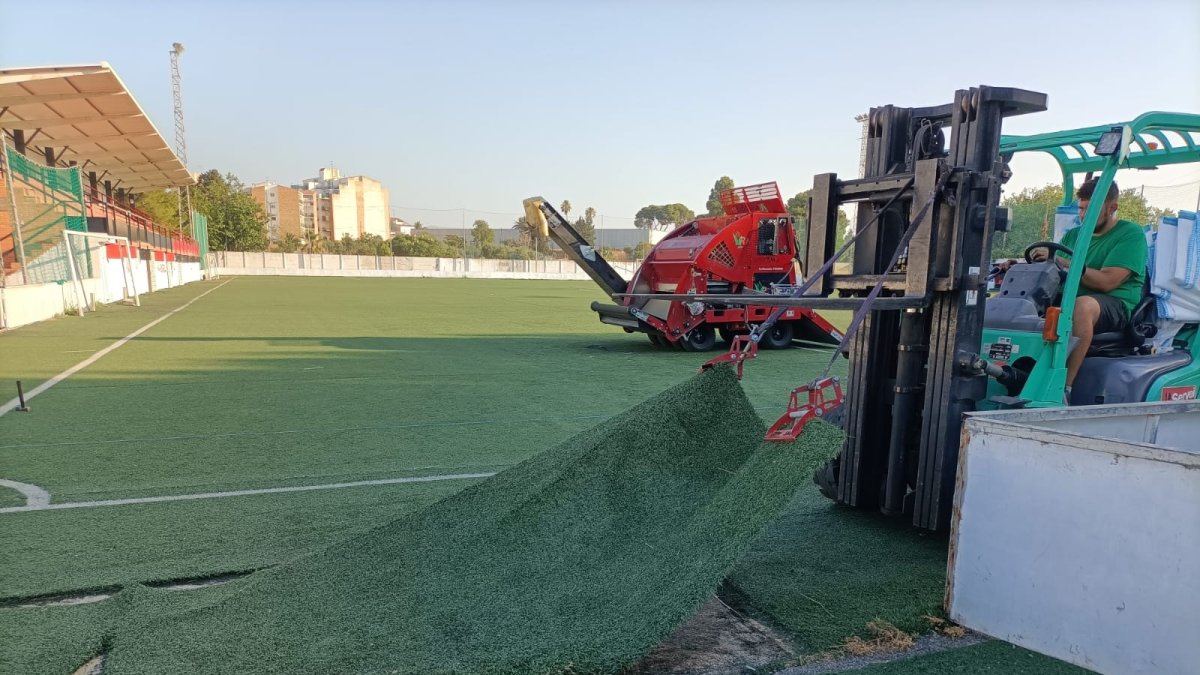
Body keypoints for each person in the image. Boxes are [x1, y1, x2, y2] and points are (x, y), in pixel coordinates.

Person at [1030, 178, 1148, 402]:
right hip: (1070, 299)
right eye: (1081, 209)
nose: (1083, 215)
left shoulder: (1130, 234)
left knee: (1081, 306)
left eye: (1089, 209)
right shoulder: (1074, 235)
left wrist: (1064, 262)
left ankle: (1062, 388)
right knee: (1025, 305)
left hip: (1114, 304)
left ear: (1112, 207)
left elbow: (1107, 282)